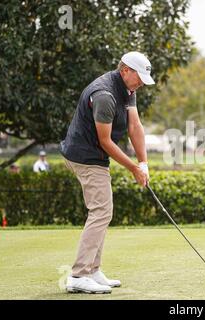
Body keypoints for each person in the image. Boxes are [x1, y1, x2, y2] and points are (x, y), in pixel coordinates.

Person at [60, 52, 154, 294]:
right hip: (84, 155)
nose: (142, 83)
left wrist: (143, 163)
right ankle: (79, 275)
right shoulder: (105, 95)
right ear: (125, 70)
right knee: (101, 210)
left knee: (103, 210)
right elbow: (105, 141)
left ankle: (92, 270)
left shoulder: (128, 90)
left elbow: (135, 126)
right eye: (139, 77)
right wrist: (133, 168)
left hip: (94, 154)